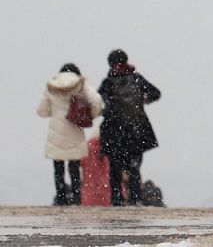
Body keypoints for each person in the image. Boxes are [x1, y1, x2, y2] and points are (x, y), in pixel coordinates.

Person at [97, 50, 160, 207]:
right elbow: (156, 93)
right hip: (136, 129)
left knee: (115, 168)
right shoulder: (137, 78)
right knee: (134, 167)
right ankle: (135, 199)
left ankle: (117, 199)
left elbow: (99, 102)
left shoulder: (108, 82)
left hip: (114, 131)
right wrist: (144, 99)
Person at [37, 63, 103, 206]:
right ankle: (76, 197)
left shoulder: (51, 87)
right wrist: (92, 114)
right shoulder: (80, 84)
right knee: (74, 166)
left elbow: (41, 111)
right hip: (74, 128)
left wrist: (53, 112)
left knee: (58, 168)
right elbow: (97, 100)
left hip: (56, 131)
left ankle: (61, 198)